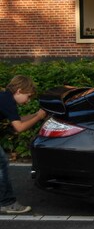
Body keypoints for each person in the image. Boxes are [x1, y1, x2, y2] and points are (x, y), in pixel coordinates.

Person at [0, 75, 47, 214]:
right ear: (19, 91)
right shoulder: (7, 100)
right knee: (1, 162)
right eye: (28, 96)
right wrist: (38, 117)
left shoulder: (5, 98)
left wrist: (35, 115)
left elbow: (18, 119)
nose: (28, 101)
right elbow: (19, 127)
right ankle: (7, 203)